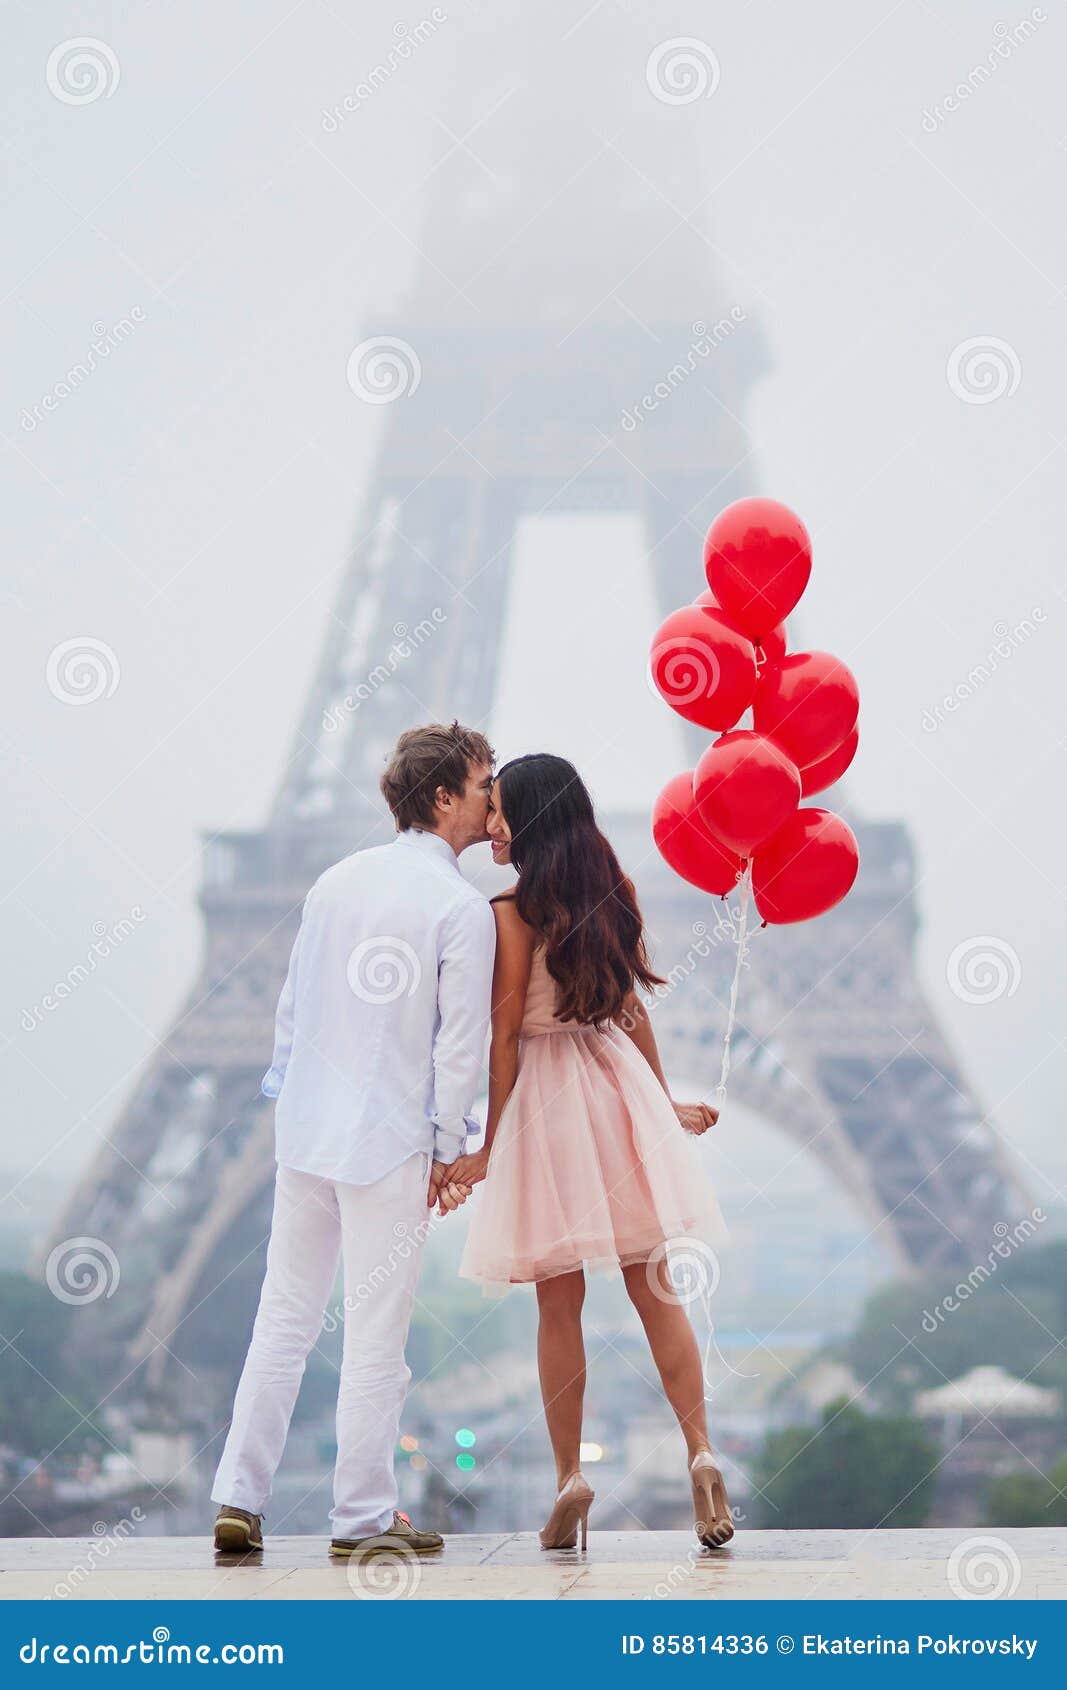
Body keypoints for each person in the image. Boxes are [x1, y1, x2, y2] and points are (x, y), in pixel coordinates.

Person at [211, 723, 496, 1560]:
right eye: (482, 784)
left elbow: (291, 1015)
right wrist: (449, 1147)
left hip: (304, 1134)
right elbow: (459, 1047)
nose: (492, 798)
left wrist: (289, 1100)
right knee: (376, 1340)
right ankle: (362, 1519)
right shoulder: (458, 906)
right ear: (443, 796)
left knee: (282, 1324)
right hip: (388, 1142)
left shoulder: (335, 882)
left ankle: (237, 1498)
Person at [448, 753, 734, 1552]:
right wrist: (660, 1102)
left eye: (501, 811)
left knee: (557, 1305)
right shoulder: (614, 893)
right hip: (615, 1093)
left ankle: (570, 1474)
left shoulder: (507, 912)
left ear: (531, 819)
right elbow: (630, 1008)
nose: (493, 825)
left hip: (545, 1102)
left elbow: (505, 1037)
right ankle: (702, 1452)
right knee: (658, 1290)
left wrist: (487, 1143)